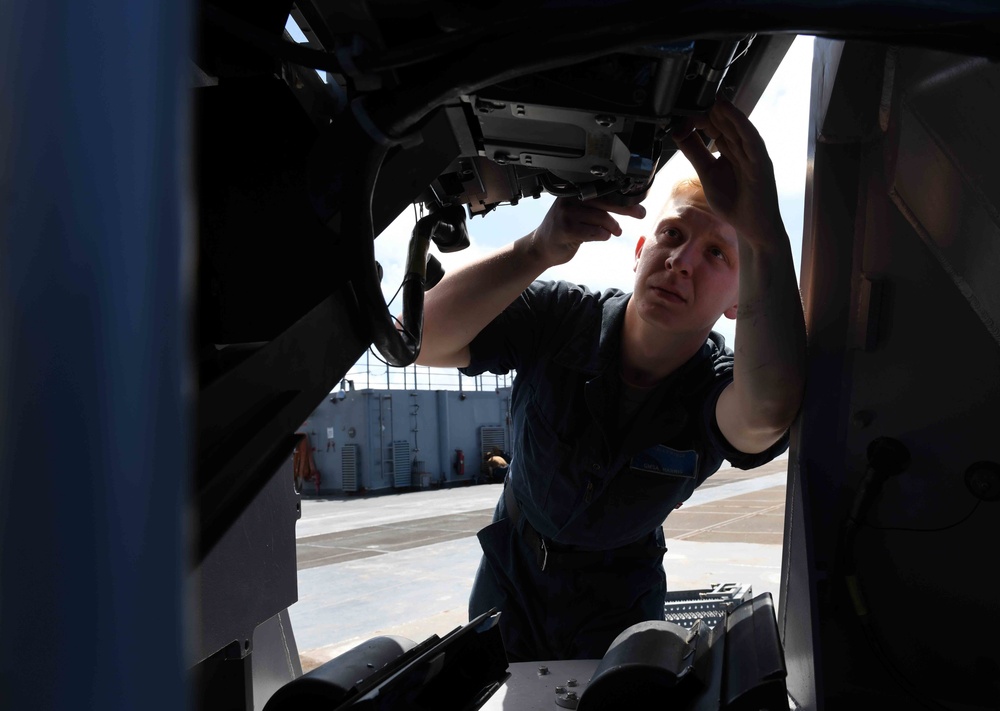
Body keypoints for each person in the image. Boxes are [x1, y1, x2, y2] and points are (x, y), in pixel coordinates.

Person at [416, 97, 807, 661]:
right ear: (640, 250)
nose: (683, 261)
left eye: (717, 253)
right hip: (512, 574)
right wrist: (537, 248)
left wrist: (766, 236)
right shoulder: (559, 318)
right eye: (672, 235)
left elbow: (766, 413)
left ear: (740, 303)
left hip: (620, 594)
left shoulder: (714, 385)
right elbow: (421, 339)